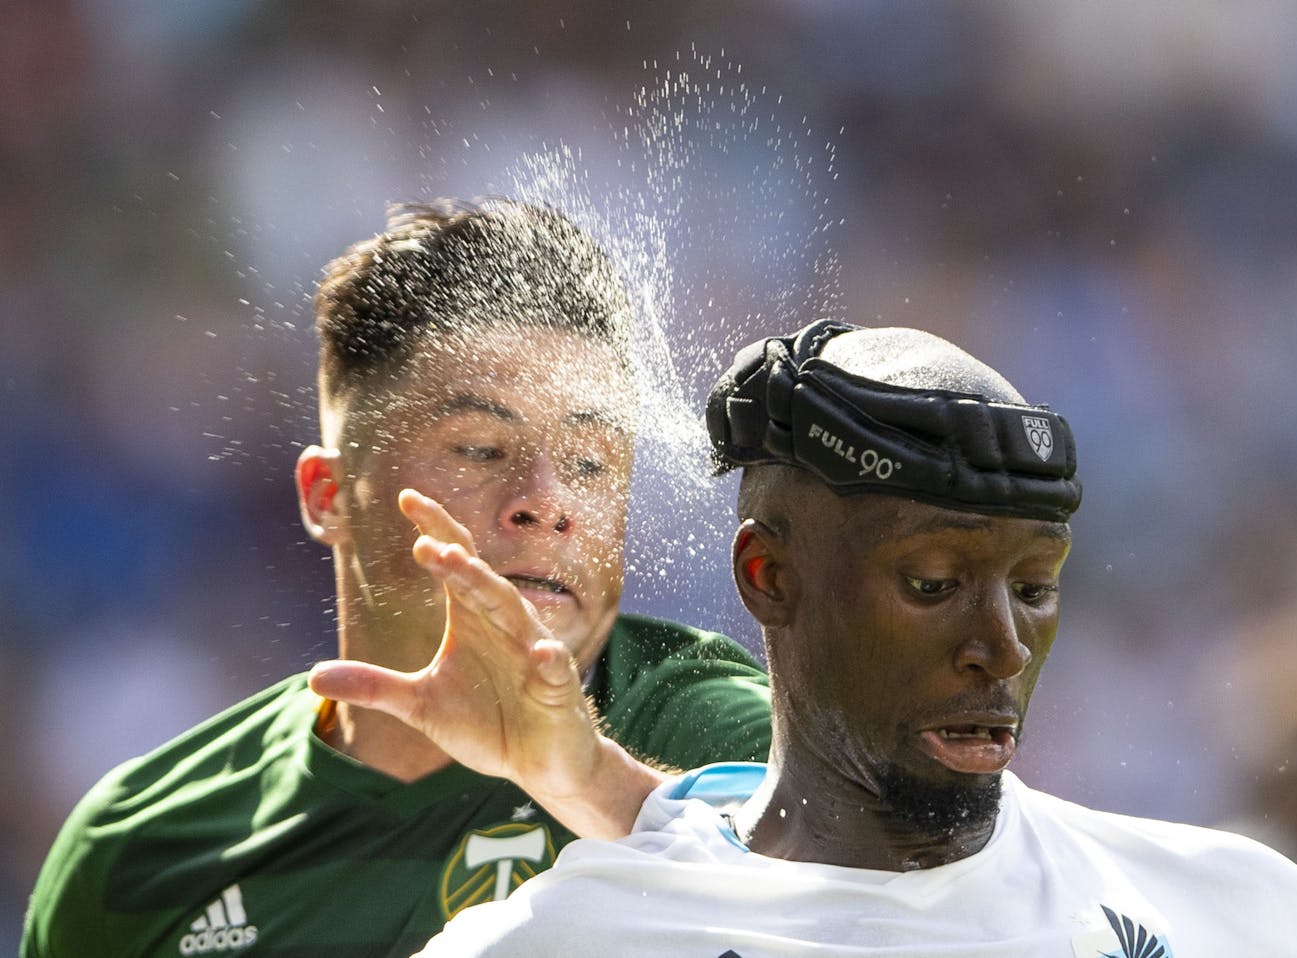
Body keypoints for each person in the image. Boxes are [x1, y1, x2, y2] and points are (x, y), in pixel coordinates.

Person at [367, 319, 1297, 956]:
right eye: (934, 581)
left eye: (1034, 587)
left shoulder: (1254, 919)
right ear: (769, 577)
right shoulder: (569, 943)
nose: (997, 645)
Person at [21, 199, 772, 958]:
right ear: (330, 496)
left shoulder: (719, 736)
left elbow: (881, 893)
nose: (546, 502)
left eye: (590, 463)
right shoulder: (136, 855)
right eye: (480, 449)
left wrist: (602, 788)